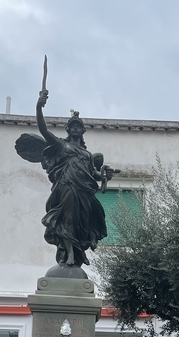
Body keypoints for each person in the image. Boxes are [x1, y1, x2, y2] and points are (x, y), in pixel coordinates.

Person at [34, 89, 114, 267]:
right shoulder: (61, 145)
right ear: (69, 129)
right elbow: (43, 130)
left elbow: (94, 174)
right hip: (67, 185)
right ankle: (69, 255)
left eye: (79, 126)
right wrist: (39, 107)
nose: (76, 128)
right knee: (68, 219)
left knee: (82, 222)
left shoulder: (87, 154)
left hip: (84, 191)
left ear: (83, 130)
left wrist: (104, 176)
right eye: (73, 126)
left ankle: (78, 251)